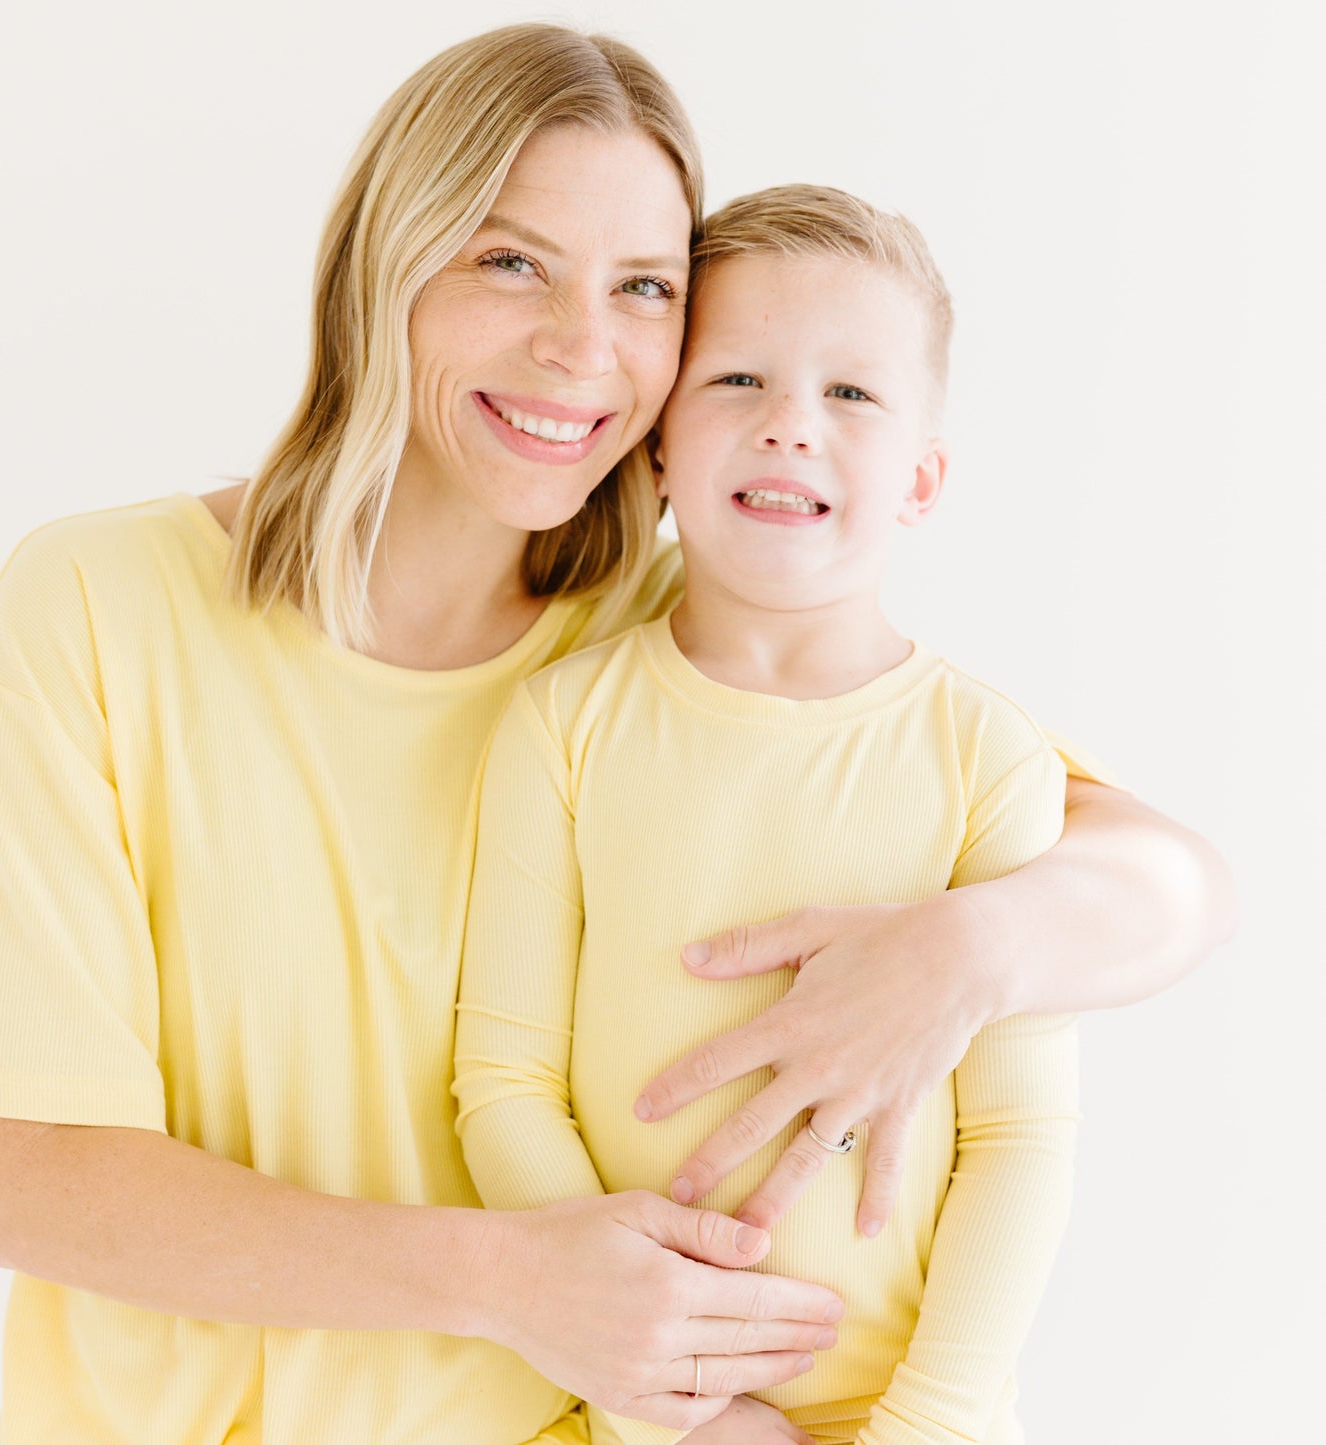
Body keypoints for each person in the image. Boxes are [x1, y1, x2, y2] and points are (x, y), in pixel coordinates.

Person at [0, 22, 1233, 1445]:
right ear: (380, 270)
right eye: (508, 259)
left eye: (643, 288)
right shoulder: (100, 607)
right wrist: (506, 1282)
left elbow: (1174, 884)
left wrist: (974, 950)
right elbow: (28, 1182)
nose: (581, 347)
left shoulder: (690, 643)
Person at [455, 183, 1077, 1445]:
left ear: (921, 475)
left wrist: (931, 1424)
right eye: (736, 380)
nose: (790, 425)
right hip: (644, 1411)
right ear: (658, 446)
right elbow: (503, 1082)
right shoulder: (561, 725)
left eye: (850, 393)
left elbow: (1019, 1136)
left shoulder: (984, 755)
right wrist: (679, 1408)